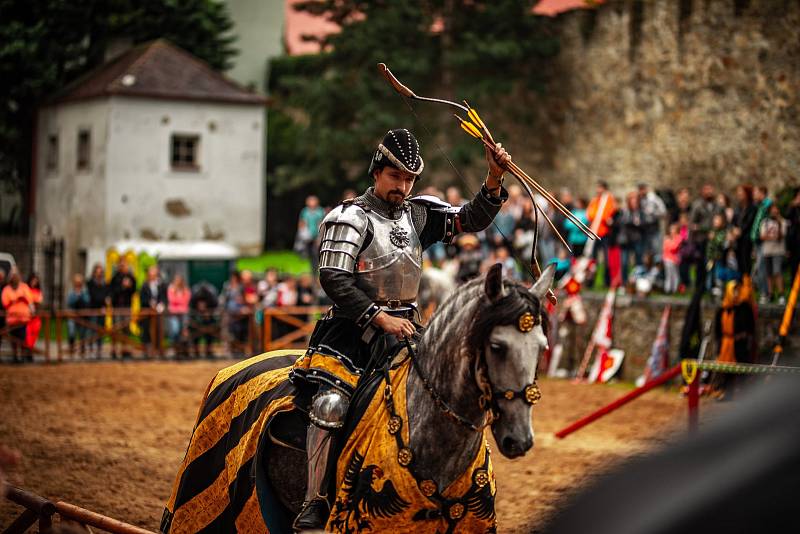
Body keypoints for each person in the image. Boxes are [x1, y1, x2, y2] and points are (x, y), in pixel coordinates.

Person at [289, 128, 511, 530]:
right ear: (377, 172)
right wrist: (379, 316)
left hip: (408, 330)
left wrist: (493, 178)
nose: (403, 186)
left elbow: (471, 219)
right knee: (331, 406)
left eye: (409, 179)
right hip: (351, 334)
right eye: (396, 177)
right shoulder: (349, 217)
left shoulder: (417, 214)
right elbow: (334, 278)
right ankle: (314, 501)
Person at [586, 180, 618, 288]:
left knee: (606, 258)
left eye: (600, 188)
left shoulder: (609, 200)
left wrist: (601, 216)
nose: (597, 190)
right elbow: (590, 214)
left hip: (604, 233)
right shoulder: (595, 200)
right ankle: (590, 280)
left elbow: (607, 214)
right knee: (592, 258)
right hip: (595, 232)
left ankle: (607, 281)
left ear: (604, 189)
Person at [689, 184, 720, 290]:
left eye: (710, 189)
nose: (709, 192)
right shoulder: (697, 205)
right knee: (701, 265)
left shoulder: (717, 206)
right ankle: (699, 286)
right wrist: (704, 230)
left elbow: (720, 220)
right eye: (707, 190)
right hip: (701, 240)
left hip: (714, 239)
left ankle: (712, 285)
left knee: (712, 263)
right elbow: (693, 225)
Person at [1, 268, 32, 363]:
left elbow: (29, 300)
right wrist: (16, 300)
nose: (15, 278)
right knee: (13, 339)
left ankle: (22, 356)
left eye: (16, 276)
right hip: (12, 319)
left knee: (22, 338)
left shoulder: (24, 287)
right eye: (13, 276)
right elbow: (5, 303)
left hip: (23, 319)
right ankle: (15, 356)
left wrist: (18, 300)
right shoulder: (7, 289)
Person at [759, 203, 788, 304]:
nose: (774, 211)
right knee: (768, 273)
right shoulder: (765, 222)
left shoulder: (782, 221)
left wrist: (779, 224)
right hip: (767, 251)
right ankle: (770, 294)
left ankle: (781, 294)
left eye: (776, 209)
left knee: (777, 271)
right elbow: (762, 236)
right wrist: (771, 237)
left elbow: (781, 236)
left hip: (778, 251)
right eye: (772, 209)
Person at [110, 259, 136, 358]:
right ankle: (114, 350)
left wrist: (129, 286)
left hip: (127, 306)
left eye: (124, 265)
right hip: (116, 306)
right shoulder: (115, 277)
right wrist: (123, 286)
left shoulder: (130, 277)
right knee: (115, 328)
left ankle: (125, 350)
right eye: (121, 265)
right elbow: (113, 292)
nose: (123, 266)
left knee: (126, 329)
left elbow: (134, 291)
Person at [750, 186, 772, 302]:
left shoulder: (768, 205)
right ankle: (762, 292)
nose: (754, 195)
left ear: (762, 193)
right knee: (758, 267)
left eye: (756, 192)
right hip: (757, 241)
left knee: (761, 267)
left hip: (764, 241)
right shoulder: (759, 206)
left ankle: (765, 293)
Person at [139, 265, 167, 358]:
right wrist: (150, 303)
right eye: (151, 273)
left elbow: (163, 297)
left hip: (158, 312)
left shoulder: (161, 284)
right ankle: (147, 349)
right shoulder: (144, 285)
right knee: (146, 329)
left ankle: (159, 349)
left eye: (154, 273)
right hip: (147, 312)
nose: (152, 275)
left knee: (159, 329)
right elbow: (142, 299)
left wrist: (161, 305)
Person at [297, 195, 327, 274]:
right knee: (309, 256)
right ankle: (310, 272)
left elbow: (322, 224)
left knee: (316, 255)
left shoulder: (320, 211)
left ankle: (318, 272)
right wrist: (302, 234)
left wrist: (319, 237)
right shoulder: (305, 211)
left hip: (317, 237)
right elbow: (302, 223)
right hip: (307, 238)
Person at [732, 184, 757, 278]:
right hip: (737, 240)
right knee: (739, 262)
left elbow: (750, 222)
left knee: (746, 261)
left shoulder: (752, 207)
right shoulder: (738, 207)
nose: (739, 194)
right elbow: (733, 221)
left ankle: (748, 285)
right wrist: (733, 230)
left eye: (741, 192)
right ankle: (741, 284)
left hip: (747, 239)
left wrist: (740, 230)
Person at [189, 281, 219, 359]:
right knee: (193, 330)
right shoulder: (194, 301)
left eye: (203, 303)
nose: (201, 305)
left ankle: (208, 350)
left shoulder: (211, 300)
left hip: (208, 319)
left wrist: (208, 313)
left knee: (211, 329)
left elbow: (215, 308)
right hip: (196, 319)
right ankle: (196, 351)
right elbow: (191, 311)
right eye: (200, 303)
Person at [86, 263, 109, 357]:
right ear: (94, 273)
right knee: (92, 328)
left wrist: (105, 303)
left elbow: (107, 295)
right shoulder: (90, 283)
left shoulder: (105, 283)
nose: (99, 274)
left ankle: (99, 348)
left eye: (101, 272)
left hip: (102, 310)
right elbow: (93, 296)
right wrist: (103, 300)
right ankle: (91, 348)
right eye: (97, 272)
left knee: (101, 329)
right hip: (93, 309)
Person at [167, 274, 191, 358]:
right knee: (174, 330)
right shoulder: (171, 289)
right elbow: (171, 300)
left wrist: (177, 301)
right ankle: (174, 349)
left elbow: (186, 301)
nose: (177, 282)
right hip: (174, 314)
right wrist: (179, 301)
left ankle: (183, 351)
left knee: (184, 331)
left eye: (179, 280)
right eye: (176, 280)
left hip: (183, 314)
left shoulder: (186, 290)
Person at [66, 274, 90, 356]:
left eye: (79, 282)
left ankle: (82, 349)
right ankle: (71, 348)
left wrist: (81, 295)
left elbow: (87, 301)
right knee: (71, 332)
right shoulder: (71, 291)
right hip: (73, 315)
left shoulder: (85, 291)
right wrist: (77, 296)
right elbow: (69, 302)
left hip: (82, 315)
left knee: (82, 333)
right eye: (76, 282)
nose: (78, 283)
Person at [662, 222, 684, 294]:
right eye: (671, 229)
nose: (672, 230)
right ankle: (667, 289)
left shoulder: (678, 237)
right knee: (668, 275)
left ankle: (675, 289)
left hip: (674, 259)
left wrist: (669, 242)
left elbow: (673, 247)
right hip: (667, 259)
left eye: (674, 229)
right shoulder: (667, 237)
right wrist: (669, 242)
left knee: (675, 275)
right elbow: (665, 247)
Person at [24, 273, 43, 351]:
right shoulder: (26, 289)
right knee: (28, 334)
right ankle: (27, 351)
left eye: (36, 281)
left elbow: (39, 301)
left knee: (35, 333)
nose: (34, 282)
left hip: (36, 317)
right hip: (27, 316)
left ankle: (30, 350)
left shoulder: (38, 291)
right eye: (33, 280)